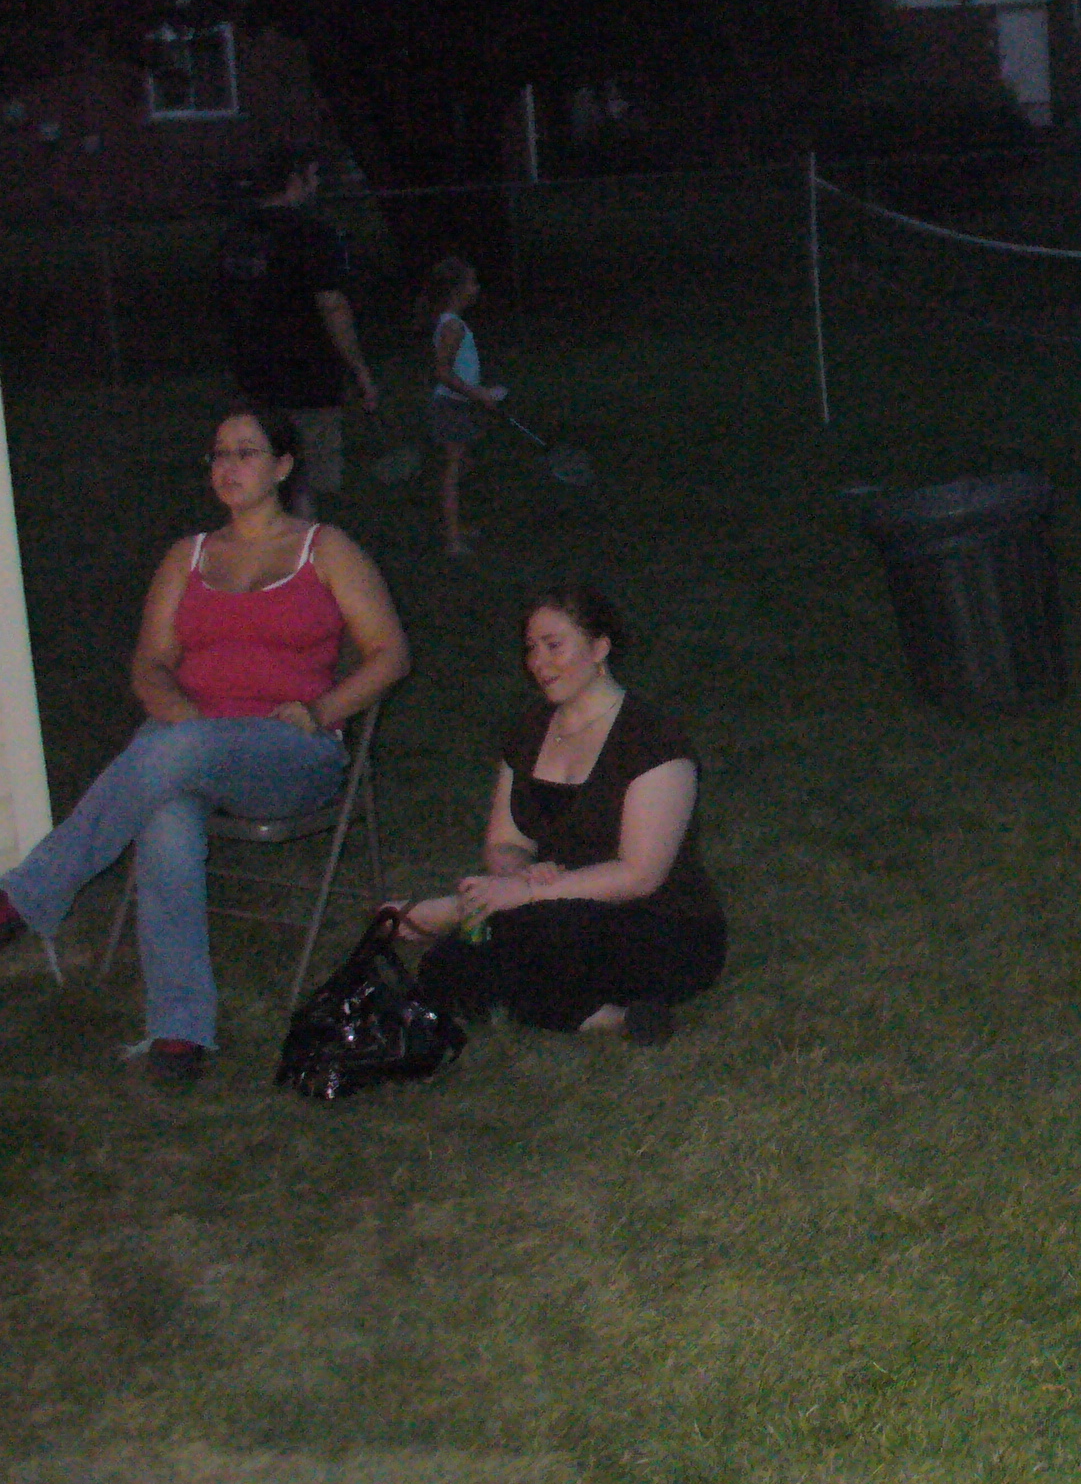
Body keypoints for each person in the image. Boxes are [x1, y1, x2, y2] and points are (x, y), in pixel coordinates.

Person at [0, 406, 408, 1083]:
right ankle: (180, 1030)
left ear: (283, 466)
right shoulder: (186, 556)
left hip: (287, 749)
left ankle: (25, 896)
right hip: (187, 742)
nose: (228, 466)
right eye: (219, 453)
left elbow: (390, 654)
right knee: (167, 810)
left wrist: (322, 710)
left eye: (246, 452)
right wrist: (183, 718)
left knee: (170, 757)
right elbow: (150, 663)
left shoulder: (325, 547)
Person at [403, 586, 724, 1045]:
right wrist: (522, 873)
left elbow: (639, 876)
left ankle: (462, 917)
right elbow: (505, 841)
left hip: (657, 921)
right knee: (447, 967)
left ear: (599, 647)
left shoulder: (652, 740)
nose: (539, 662)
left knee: (538, 939)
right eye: (531, 649)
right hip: (554, 902)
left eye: (554, 645)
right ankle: (610, 1018)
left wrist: (525, 892)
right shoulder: (529, 731)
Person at [214, 148, 378, 515]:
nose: (316, 184)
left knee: (262, 479)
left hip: (252, 376)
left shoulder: (236, 237)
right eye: (312, 176)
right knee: (305, 479)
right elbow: (332, 304)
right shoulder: (313, 233)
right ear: (294, 181)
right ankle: (297, 549)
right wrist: (358, 368)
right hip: (308, 375)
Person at [422, 256, 507, 557]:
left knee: (462, 467)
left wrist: (479, 394)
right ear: (456, 290)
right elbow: (442, 372)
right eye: (472, 283)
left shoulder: (452, 324)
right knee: (453, 471)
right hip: (450, 406)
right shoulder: (453, 327)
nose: (477, 288)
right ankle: (452, 539)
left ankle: (455, 526)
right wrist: (478, 394)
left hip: (458, 404)